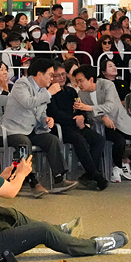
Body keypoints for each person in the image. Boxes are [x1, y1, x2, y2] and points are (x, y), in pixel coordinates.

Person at [0, 117, 126, 256]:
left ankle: (60, 230)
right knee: (42, 230)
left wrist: (0, 178)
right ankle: (94, 246)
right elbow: (11, 192)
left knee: (13, 214)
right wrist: (22, 174)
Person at [0, 58, 77, 194]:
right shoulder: (21, 84)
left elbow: (41, 112)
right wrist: (49, 93)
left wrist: (46, 120)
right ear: (39, 74)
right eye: (50, 75)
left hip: (31, 129)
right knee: (24, 143)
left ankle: (59, 178)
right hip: (13, 130)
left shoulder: (43, 90)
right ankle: (32, 181)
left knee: (51, 139)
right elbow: (28, 102)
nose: (52, 79)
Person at [72, 65, 131, 180]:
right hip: (103, 125)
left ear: (91, 79)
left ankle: (127, 162)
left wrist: (88, 107)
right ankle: (116, 168)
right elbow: (89, 116)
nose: (79, 84)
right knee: (119, 141)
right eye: (77, 81)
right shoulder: (81, 94)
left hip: (120, 120)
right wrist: (103, 117)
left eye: (81, 81)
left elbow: (110, 105)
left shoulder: (107, 85)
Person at [46, 62, 107, 190]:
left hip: (75, 124)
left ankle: (89, 174)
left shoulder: (71, 91)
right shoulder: (49, 93)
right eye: (58, 75)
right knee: (80, 140)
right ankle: (95, 175)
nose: (62, 77)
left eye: (64, 74)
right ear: (52, 77)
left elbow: (79, 108)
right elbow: (55, 114)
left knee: (98, 139)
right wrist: (75, 121)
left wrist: (82, 117)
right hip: (59, 127)